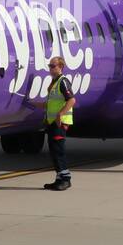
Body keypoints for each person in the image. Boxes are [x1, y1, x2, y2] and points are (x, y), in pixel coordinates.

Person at [41, 56, 76, 190]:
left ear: (60, 67)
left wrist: (60, 114)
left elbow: (71, 100)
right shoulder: (54, 82)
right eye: (49, 66)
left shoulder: (63, 81)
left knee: (58, 151)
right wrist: (37, 104)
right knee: (54, 151)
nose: (50, 68)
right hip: (52, 123)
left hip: (60, 123)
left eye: (53, 66)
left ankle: (66, 179)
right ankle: (59, 178)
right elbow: (53, 103)